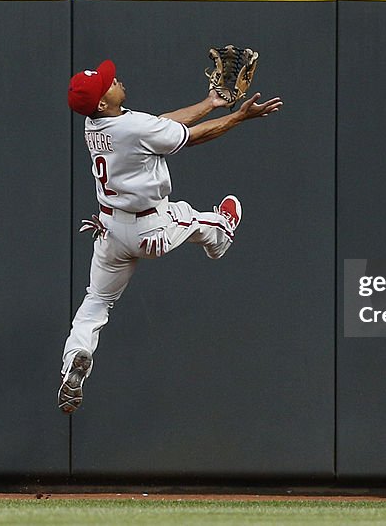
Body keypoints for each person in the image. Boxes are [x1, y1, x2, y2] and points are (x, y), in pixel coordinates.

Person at [59, 58, 282, 413]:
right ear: (102, 102)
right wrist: (240, 117)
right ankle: (223, 232)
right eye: (107, 83)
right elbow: (190, 137)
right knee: (196, 220)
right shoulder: (129, 129)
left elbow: (158, 125)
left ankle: (76, 359)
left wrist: (210, 103)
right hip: (150, 227)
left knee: (96, 304)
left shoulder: (94, 123)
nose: (114, 79)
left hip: (110, 231)